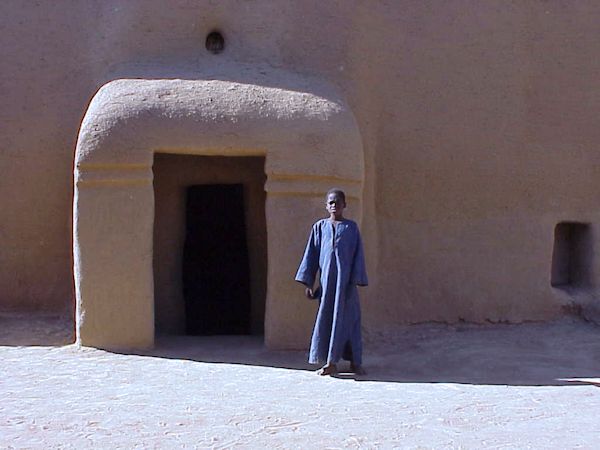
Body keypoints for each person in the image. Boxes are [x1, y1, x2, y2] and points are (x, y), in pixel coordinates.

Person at [295, 188, 368, 376]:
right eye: (331, 202)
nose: (334, 205)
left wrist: (356, 279)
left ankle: (355, 362)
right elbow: (311, 255)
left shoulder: (351, 229)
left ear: (345, 205)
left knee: (350, 323)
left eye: (338, 202)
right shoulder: (319, 228)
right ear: (326, 205)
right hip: (327, 288)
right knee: (328, 321)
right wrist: (309, 282)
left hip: (346, 287)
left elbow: (358, 255)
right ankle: (330, 363)